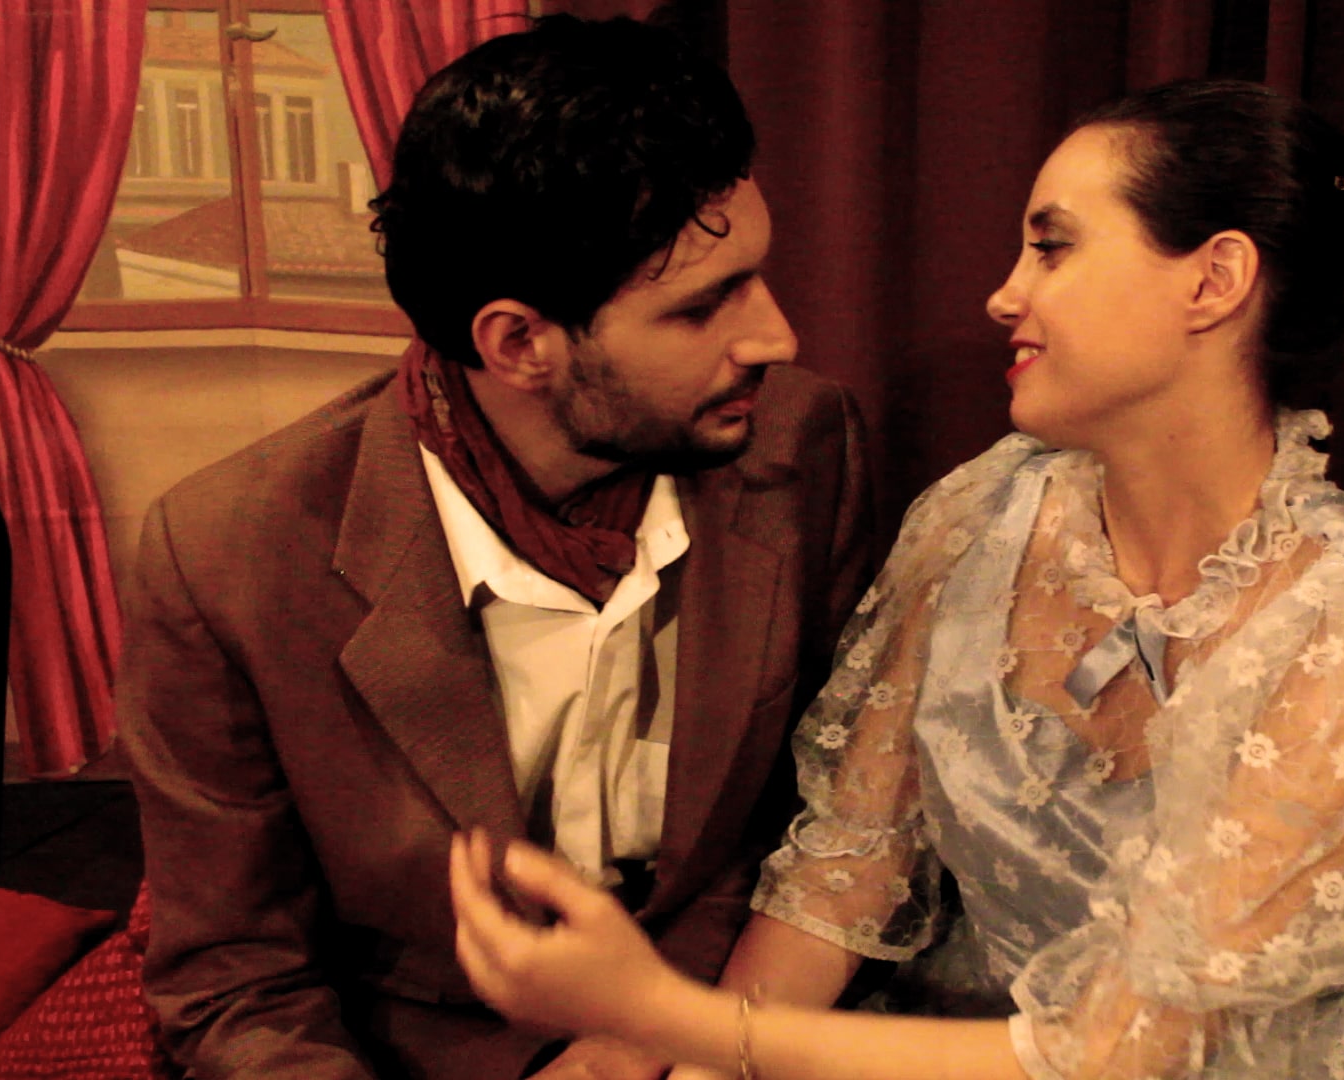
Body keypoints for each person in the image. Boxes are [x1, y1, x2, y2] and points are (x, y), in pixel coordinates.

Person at [447, 79, 1344, 1079]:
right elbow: (845, 873)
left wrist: (661, 1017)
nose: (1003, 296)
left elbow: (1122, 1057)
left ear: (1214, 281)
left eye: (1052, 248)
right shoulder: (985, 515)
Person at [120, 15, 874, 1079]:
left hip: (728, 1009)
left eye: (755, 276)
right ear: (519, 343)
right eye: (703, 306)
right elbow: (235, 981)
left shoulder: (804, 444)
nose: (776, 337)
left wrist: (647, 1038)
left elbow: (817, 822)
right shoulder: (229, 555)